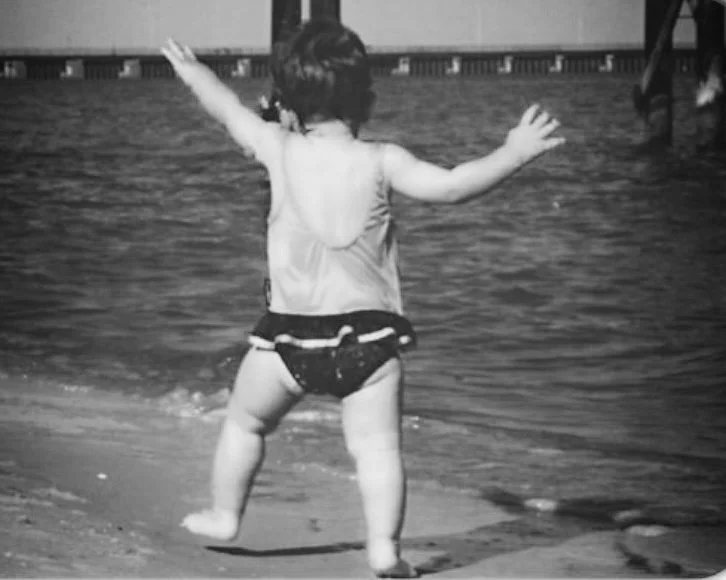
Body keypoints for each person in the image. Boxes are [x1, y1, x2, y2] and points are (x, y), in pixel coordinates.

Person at [161, 19, 564, 578]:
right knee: (377, 452)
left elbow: (226, 109)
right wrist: (514, 152)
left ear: (287, 104)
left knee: (244, 424)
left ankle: (226, 516)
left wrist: (192, 71)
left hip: (288, 341)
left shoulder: (275, 146)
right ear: (366, 100)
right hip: (370, 343)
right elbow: (451, 186)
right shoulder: (384, 160)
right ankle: (383, 551)